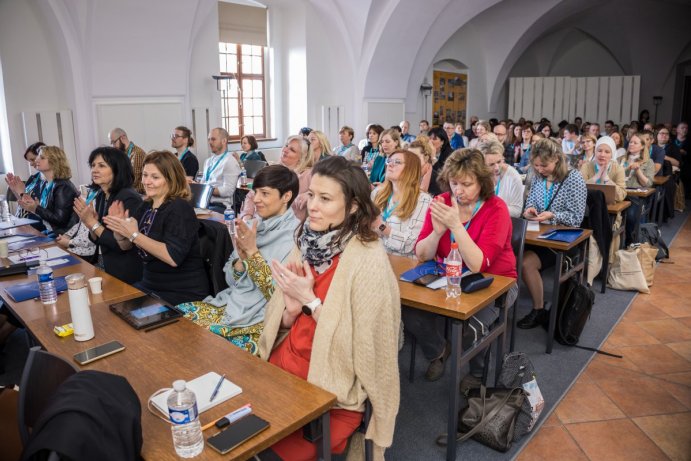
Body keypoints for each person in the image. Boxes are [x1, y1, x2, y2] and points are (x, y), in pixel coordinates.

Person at [258, 156, 400, 459]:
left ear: (353, 207)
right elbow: (281, 324)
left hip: (330, 389)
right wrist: (292, 311)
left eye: (325, 198)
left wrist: (311, 303)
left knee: (267, 448)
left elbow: (367, 352)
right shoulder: (309, 241)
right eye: (311, 195)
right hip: (285, 366)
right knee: (234, 433)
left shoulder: (368, 259)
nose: (312, 206)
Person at [410, 148, 518, 384]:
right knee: (408, 309)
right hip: (448, 277)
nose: (458, 190)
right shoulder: (441, 202)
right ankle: (438, 350)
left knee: (470, 327)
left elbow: (478, 264)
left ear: (482, 182)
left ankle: (477, 374)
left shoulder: (496, 208)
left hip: (494, 282)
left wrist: (455, 226)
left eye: (466, 184)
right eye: (454, 182)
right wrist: (437, 233)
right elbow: (422, 254)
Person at [178, 165, 300, 353]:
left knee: (203, 345)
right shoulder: (253, 226)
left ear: (286, 196)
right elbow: (230, 281)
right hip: (231, 303)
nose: (256, 199)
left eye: (265, 194)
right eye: (255, 192)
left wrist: (252, 253)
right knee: (178, 315)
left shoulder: (295, 238)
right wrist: (241, 262)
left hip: (259, 318)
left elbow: (276, 297)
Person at [103, 151, 209, 305]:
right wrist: (120, 231)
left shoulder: (179, 208)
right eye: (145, 175)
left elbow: (172, 258)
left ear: (171, 179)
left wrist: (133, 234)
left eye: (155, 177)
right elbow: (125, 246)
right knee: (112, 308)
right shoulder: (147, 205)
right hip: (150, 286)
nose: (147, 182)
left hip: (181, 293)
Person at [518, 139, 587, 329]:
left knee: (526, 263)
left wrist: (553, 215)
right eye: (536, 165)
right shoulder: (539, 176)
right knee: (509, 251)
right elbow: (530, 202)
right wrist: (529, 210)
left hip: (561, 240)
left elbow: (576, 218)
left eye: (544, 165)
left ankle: (538, 309)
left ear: (557, 159)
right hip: (538, 235)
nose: (540, 169)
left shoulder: (574, 178)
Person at [71, 147, 143, 284]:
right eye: (93, 165)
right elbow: (97, 239)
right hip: (106, 265)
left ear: (117, 169)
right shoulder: (103, 194)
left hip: (126, 272)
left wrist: (92, 223)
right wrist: (90, 224)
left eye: (101, 166)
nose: (94, 170)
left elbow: (121, 245)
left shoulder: (128, 198)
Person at [371, 150, 431, 257]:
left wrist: (381, 227)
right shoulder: (377, 193)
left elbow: (411, 245)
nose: (390, 164)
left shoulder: (422, 200)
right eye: (389, 161)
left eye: (397, 162)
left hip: (404, 263)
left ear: (411, 169)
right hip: (376, 258)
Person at [241, 136, 312, 222]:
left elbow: (328, 194)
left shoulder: (308, 174)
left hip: (287, 227)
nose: (285, 150)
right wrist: (247, 217)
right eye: (286, 146)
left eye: (292, 150)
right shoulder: (273, 170)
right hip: (261, 223)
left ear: (302, 157)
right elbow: (251, 195)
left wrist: (311, 194)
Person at [17, 146, 78, 236]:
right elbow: (48, 216)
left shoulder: (63, 187)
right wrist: (34, 208)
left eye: (42, 158)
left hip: (62, 235)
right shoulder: (48, 184)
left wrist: (36, 208)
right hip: (51, 231)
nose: (36, 160)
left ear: (54, 161)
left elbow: (60, 220)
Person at [619, 133, 655, 245]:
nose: (632, 144)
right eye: (630, 142)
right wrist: (624, 167)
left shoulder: (648, 162)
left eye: (635, 143)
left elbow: (648, 183)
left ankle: (630, 243)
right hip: (620, 192)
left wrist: (638, 170)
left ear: (642, 146)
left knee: (630, 216)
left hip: (636, 196)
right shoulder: (620, 159)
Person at [479, 140, 524, 217]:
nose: (496, 168)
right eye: (491, 164)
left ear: (503, 157)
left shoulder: (513, 177)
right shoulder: (480, 174)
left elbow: (517, 211)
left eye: (499, 162)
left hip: (504, 219)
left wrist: (491, 209)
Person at [203, 127, 242, 213]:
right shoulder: (208, 161)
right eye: (209, 139)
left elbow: (228, 191)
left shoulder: (230, 161)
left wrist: (206, 188)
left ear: (224, 141)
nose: (210, 142)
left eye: (213, 139)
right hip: (204, 203)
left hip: (220, 207)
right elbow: (203, 182)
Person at [5, 142, 45, 221]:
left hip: (34, 223)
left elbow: (39, 207)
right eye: (29, 161)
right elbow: (23, 201)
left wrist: (22, 193)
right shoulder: (33, 178)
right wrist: (15, 190)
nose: (30, 164)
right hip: (20, 221)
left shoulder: (50, 181)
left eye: (32, 159)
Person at [580, 136, 627, 202]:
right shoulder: (586, 166)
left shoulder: (619, 169)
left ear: (612, 155)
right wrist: (596, 177)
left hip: (609, 208)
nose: (602, 154)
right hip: (588, 205)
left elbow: (621, 196)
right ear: (595, 151)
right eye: (599, 151)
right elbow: (579, 191)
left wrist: (607, 180)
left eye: (607, 152)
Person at [109, 128, 146, 194]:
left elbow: (133, 180)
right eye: (112, 143)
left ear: (123, 137)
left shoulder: (137, 153)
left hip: (138, 195)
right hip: (128, 192)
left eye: (114, 142)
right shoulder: (122, 154)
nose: (113, 146)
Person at [428, 127, 453, 196]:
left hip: (443, 189)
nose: (431, 141)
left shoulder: (450, 154)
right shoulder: (426, 152)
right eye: (429, 138)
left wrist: (433, 157)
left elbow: (443, 174)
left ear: (442, 141)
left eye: (434, 139)